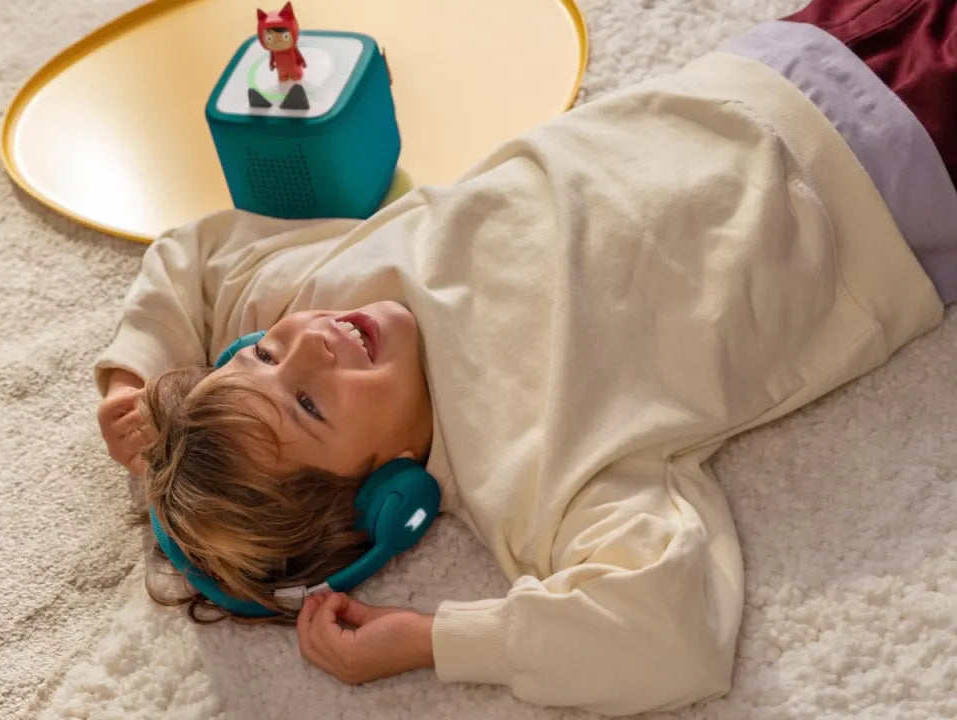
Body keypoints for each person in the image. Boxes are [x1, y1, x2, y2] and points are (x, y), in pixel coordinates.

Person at [94, 0, 957, 714]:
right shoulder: (531, 475)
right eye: (309, 405)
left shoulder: (313, 292)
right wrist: (436, 640)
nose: (309, 346)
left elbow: (194, 258)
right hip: (897, 173)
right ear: (387, 494)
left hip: (781, 63)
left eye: (260, 357)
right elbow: (670, 636)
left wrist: (135, 371)